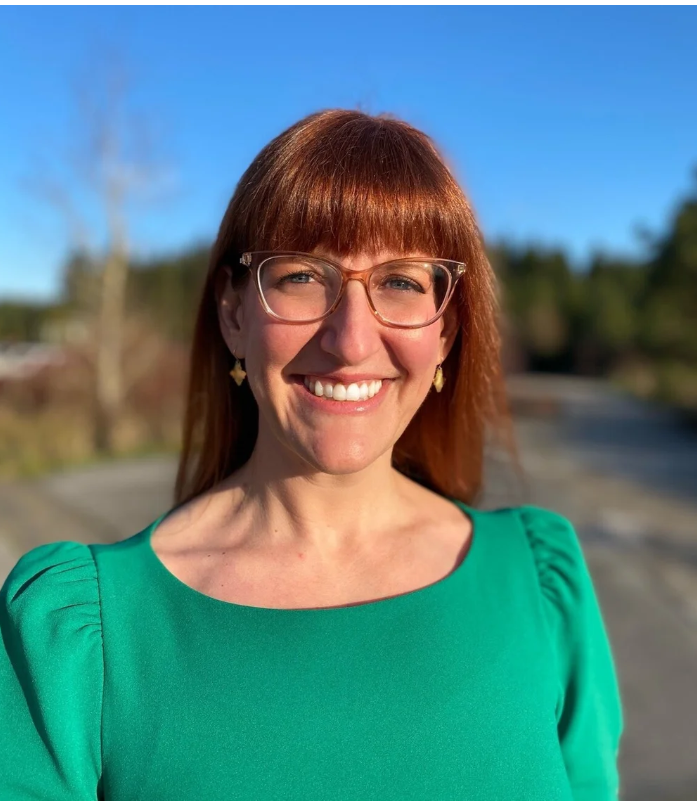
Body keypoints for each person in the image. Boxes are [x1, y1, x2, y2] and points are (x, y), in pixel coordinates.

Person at [0, 109, 623, 800]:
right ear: (233, 314)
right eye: (302, 276)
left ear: (446, 330)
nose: (352, 338)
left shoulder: (539, 586)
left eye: (402, 281)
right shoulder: (80, 639)